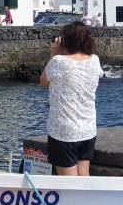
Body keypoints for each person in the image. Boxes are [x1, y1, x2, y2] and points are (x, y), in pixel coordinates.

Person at [40, 22, 104, 176]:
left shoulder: (58, 61)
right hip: (87, 129)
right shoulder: (95, 60)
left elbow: (43, 81)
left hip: (64, 131)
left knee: (69, 184)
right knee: (83, 178)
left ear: (67, 40)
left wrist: (54, 54)